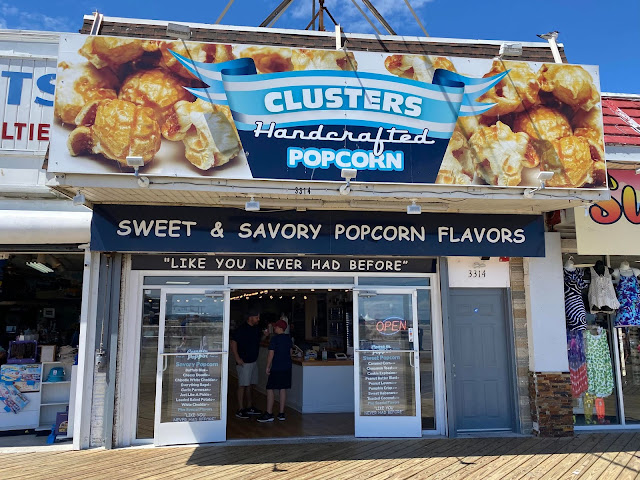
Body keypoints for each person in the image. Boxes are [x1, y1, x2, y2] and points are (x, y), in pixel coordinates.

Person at [230, 309, 264, 419]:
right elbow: (233, 343)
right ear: (250, 317)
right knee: (242, 385)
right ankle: (240, 409)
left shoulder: (256, 329)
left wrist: (265, 335)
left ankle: (249, 407)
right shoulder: (241, 329)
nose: (258, 319)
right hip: (244, 362)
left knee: (250, 385)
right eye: (257, 317)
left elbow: (259, 341)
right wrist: (237, 358)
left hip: (253, 361)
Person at [258, 318, 292, 422]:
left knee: (270, 388)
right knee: (283, 389)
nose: (274, 328)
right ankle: (281, 413)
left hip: (277, 367)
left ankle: (269, 413)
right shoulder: (288, 339)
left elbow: (271, 354)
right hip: (287, 367)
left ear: (280, 328)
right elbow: (290, 352)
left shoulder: (274, 339)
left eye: (276, 326)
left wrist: (268, 366)